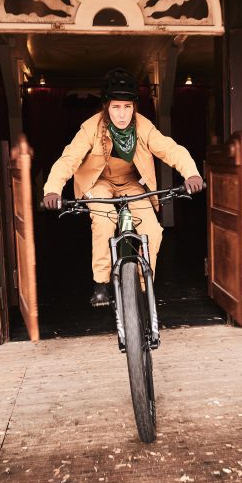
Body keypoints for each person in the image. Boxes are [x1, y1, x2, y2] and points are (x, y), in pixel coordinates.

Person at [42, 68, 205, 307]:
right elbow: (69, 159)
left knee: (153, 230)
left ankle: (141, 284)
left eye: (127, 107)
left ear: (134, 107)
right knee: (103, 222)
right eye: (116, 107)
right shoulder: (91, 127)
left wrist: (191, 173)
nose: (122, 114)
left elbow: (169, 148)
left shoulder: (142, 126)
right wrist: (52, 189)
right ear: (106, 107)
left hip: (131, 183)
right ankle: (101, 284)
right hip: (99, 183)